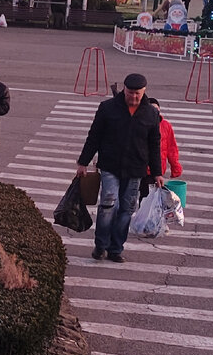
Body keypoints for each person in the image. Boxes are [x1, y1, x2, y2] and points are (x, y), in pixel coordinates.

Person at [76, 71, 163, 263]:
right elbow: (94, 137)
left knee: (126, 209)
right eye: (130, 92)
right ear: (124, 90)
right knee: (108, 203)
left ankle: (116, 249)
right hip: (110, 165)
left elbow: (154, 144)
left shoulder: (151, 113)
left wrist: (157, 172)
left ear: (144, 92)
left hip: (135, 169)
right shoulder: (107, 108)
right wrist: (83, 162)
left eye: (137, 94)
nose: (133, 97)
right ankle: (101, 246)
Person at [138, 96, 182, 199]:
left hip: (157, 171)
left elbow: (172, 148)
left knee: (151, 198)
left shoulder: (166, 126)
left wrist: (175, 167)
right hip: (142, 170)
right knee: (145, 197)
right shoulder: (141, 125)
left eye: (157, 110)